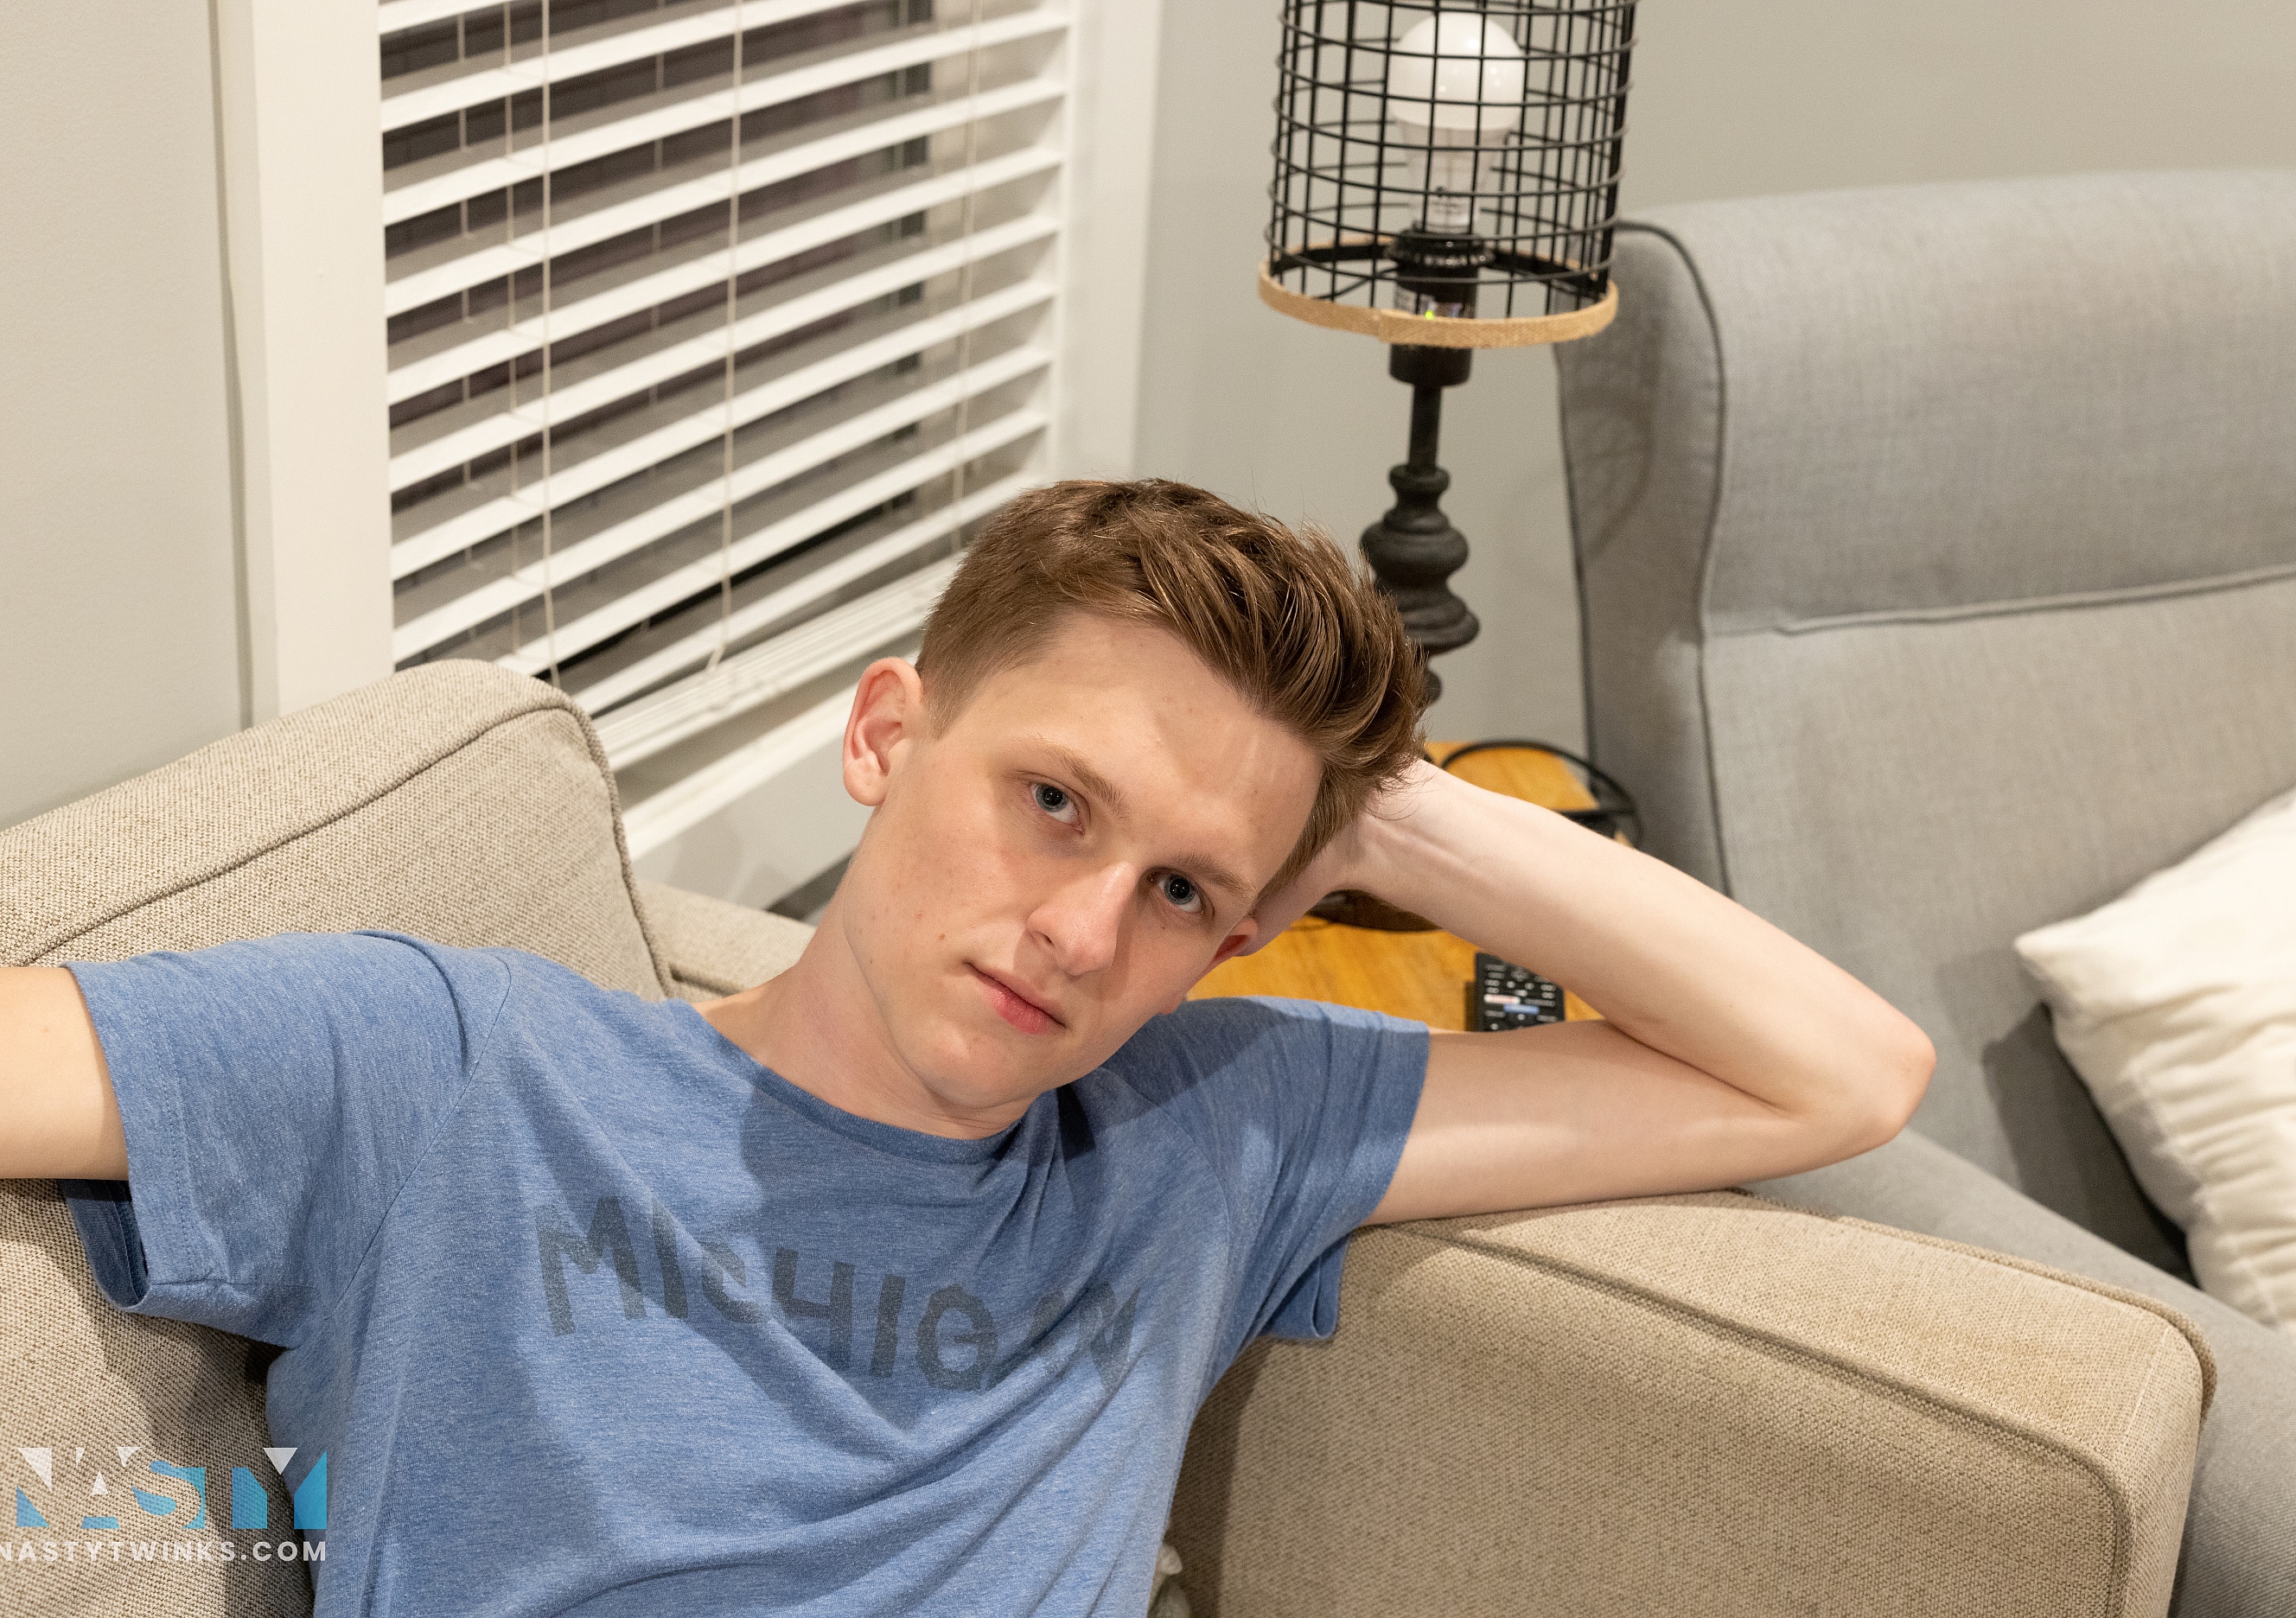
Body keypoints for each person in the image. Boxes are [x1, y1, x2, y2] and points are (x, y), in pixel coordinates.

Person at [0, 479, 1932, 1616]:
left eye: (1183, 888)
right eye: (1056, 802)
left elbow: (1838, 1076)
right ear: (884, 735)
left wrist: (1377, 807)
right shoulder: (442, 1067)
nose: (1085, 933)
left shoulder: (1206, 1131)